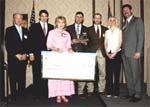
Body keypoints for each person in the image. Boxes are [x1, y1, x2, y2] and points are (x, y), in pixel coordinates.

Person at [47, 16, 74, 103]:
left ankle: (63, 94)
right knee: (56, 77)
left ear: (65, 23)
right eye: (59, 22)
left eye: (63, 22)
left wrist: (70, 49)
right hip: (55, 56)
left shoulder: (67, 34)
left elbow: (69, 45)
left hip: (65, 57)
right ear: (56, 23)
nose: (61, 24)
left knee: (64, 77)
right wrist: (57, 49)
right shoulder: (51, 32)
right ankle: (58, 95)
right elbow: (48, 45)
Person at [29, 9, 54, 100]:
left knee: (46, 74)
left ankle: (45, 93)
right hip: (36, 54)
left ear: (47, 17)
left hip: (48, 55)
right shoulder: (34, 26)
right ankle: (36, 94)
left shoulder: (51, 27)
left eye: (45, 16)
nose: (44, 18)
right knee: (36, 74)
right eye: (42, 16)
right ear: (39, 17)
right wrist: (31, 53)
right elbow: (30, 41)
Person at [122, 4, 144, 102]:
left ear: (131, 10)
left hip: (134, 53)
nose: (125, 11)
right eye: (124, 10)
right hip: (124, 53)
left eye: (127, 10)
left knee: (136, 74)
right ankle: (131, 92)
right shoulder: (124, 23)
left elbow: (141, 37)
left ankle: (137, 94)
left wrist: (138, 51)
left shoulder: (138, 21)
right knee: (128, 74)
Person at [5, 13, 30, 101]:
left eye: (20, 18)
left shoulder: (26, 30)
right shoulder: (9, 30)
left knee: (22, 78)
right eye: (17, 18)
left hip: (23, 59)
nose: (19, 20)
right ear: (13, 19)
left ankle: (22, 96)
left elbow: (28, 45)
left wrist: (25, 54)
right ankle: (14, 97)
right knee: (13, 78)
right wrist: (16, 55)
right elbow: (8, 44)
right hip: (13, 59)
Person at [67, 11, 88, 98]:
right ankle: (70, 91)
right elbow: (65, 40)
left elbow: (88, 41)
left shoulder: (86, 29)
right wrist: (71, 41)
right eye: (77, 17)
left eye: (80, 17)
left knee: (81, 73)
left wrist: (84, 42)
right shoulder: (68, 28)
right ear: (74, 18)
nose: (79, 18)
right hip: (71, 53)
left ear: (82, 19)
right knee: (70, 73)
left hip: (82, 53)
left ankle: (80, 92)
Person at [87, 13, 108, 96]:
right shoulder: (88, 29)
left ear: (101, 19)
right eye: (95, 18)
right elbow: (86, 41)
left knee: (102, 72)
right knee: (90, 71)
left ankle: (101, 89)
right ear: (93, 19)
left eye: (99, 18)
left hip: (102, 52)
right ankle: (90, 90)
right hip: (91, 52)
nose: (97, 20)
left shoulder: (105, 29)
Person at [104, 16, 122, 98]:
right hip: (108, 53)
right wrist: (107, 53)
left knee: (116, 73)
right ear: (109, 22)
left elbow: (120, 43)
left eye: (113, 20)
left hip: (117, 53)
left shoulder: (119, 31)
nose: (112, 22)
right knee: (109, 73)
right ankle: (109, 91)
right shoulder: (107, 31)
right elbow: (105, 43)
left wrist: (114, 53)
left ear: (116, 21)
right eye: (110, 20)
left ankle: (116, 92)